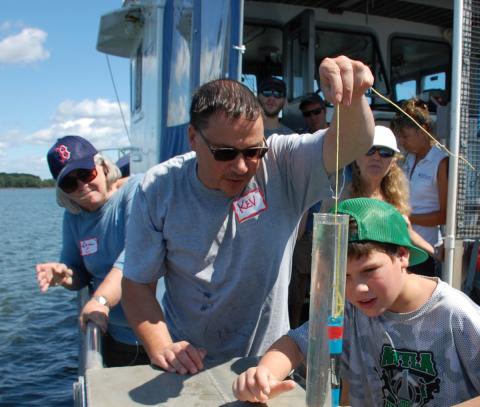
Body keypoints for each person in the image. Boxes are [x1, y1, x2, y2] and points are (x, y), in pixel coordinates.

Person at [121, 56, 375, 375]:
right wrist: (162, 346)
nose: (242, 167)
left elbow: (352, 142)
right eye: (226, 153)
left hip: (266, 366)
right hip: (188, 364)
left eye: (254, 151)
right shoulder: (158, 188)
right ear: (192, 138)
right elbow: (137, 284)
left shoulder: (281, 163)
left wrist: (353, 96)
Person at [232, 198, 480, 407]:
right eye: (344, 276)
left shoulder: (455, 314)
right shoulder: (348, 309)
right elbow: (296, 343)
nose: (358, 288)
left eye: (370, 270)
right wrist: (263, 374)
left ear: (402, 255)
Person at [35, 135, 148, 367]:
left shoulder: (133, 192)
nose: (82, 186)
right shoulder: (74, 218)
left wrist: (100, 301)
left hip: (165, 331)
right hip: (118, 338)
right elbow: (78, 274)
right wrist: (64, 275)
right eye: (70, 183)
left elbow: (135, 256)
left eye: (86, 174)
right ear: (63, 191)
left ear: (104, 167)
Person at [321, 125, 434, 258]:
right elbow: (323, 243)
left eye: (385, 152)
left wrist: (436, 252)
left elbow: (407, 232)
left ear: (393, 161)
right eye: (369, 150)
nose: (376, 157)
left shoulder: (396, 199)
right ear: (356, 158)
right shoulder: (337, 197)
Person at [391, 99, 449, 277]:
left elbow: (445, 215)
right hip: (400, 244)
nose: (401, 142)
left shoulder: (441, 162)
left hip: (425, 251)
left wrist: (408, 218)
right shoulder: (407, 159)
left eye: (405, 136)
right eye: (399, 137)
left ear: (423, 129)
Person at [288, 93, 329, 328]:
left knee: (326, 293)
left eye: (317, 112)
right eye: (307, 114)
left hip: (332, 227)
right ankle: (293, 334)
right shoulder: (299, 144)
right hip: (305, 228)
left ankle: (323, 340)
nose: (313, 117)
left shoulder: (341, 140)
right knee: (297, 290)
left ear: (325, 111)